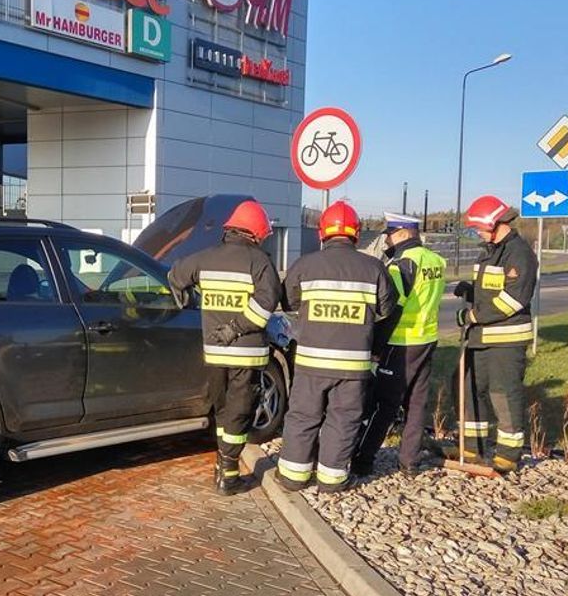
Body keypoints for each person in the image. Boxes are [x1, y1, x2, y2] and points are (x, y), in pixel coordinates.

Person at [275, 201, 398, 493]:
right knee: (343, 420)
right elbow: (386, 308)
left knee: (303, 416)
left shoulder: (305, 265)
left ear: (322, 233)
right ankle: (332, 479)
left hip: (311, 363)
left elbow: (288, 302)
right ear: (356, 234)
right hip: (352, 366)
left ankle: (293, 476)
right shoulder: (374, 268)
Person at [169, 199, 282, 495]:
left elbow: (175, 275)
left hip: (214, 353)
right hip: (247, 354)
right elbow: (266, 305)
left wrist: (184, 296)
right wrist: (235, 329)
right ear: (256, 233)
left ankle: (223, 464)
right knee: (239, 412)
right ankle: (228, 474)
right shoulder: (260, 263)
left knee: (222, 410)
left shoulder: (204, 257)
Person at [445, 194, 538, 473]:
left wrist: (473, 315)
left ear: (495, 223)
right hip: (481, 338)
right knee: (467, 388)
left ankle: (508, 456)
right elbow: (490, 289)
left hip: (505, 340)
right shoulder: (491, 250)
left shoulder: (519, 254)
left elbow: (512, 300)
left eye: (478, 227)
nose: (476, 232)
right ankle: (471, 449)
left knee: (503, 394)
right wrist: (470, 290)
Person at [352, 212, 447, 477]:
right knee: (417, 404)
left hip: (400, 343)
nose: (387, 240)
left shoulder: (402, 265)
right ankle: (410, 462)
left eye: (390, 234)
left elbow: (390, 311)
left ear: (405, 233)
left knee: (384, 405)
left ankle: (363, 459)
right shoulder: (435, 261)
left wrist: (375, 350)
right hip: (426, 340)